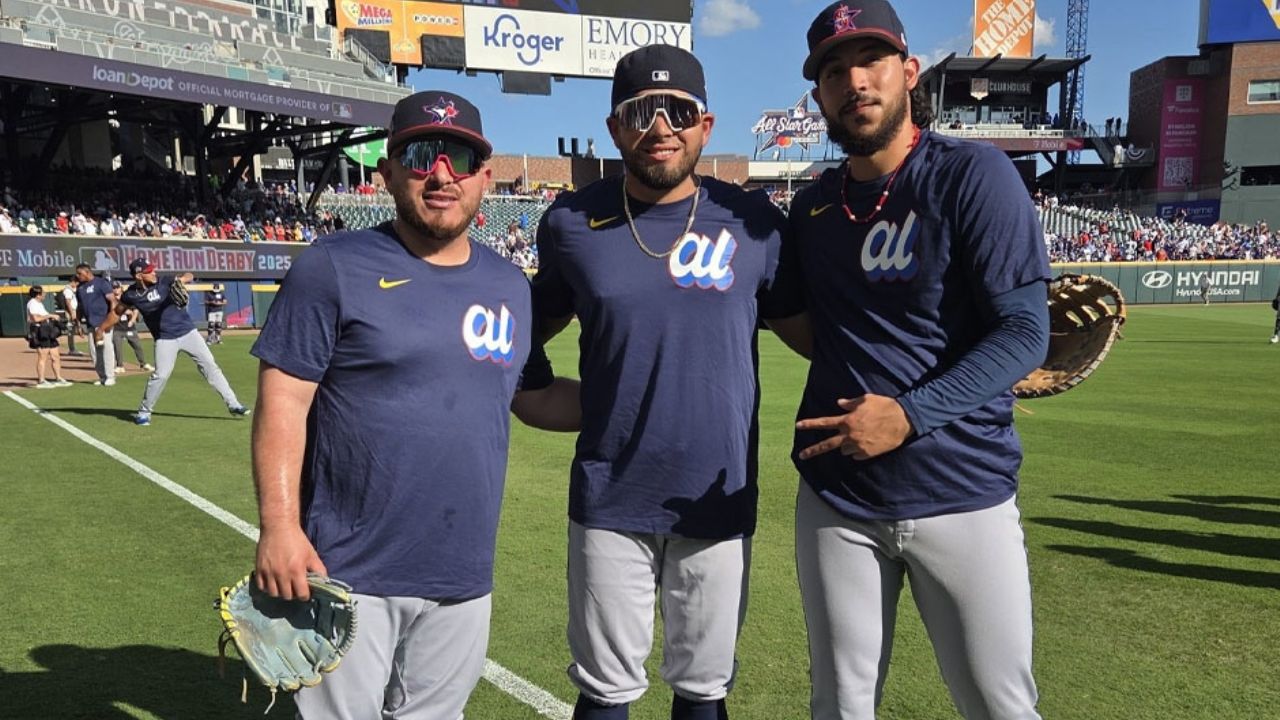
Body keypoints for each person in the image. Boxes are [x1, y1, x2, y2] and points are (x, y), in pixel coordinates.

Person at [250, 90, 579, 720]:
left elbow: (531, 396)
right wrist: (279, 528)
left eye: (459, 157)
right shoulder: (332, 266)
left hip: (461, 573)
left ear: (485, 175)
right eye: (422, 154)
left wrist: (636, 407)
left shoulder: (511, 285)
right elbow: (283, 401)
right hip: (346, 568)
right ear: (389, 172)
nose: (441, 173)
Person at [770, 2, 1052, 718]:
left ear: (909, 72)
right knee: (839, 705)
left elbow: (1024, 334)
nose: (854, 81)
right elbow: (809, 326)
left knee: (998, 704)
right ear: (819, 96)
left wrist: (908, 413)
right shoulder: (811, 208)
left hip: (963, 490)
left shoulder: (973, 175)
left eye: (871, 61)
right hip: (839, 498)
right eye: (834, 71)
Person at [532, 45, 797, 720]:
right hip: (610, 496)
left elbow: (820, 337)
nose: (660, 126)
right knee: (604, 690)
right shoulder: (570, 223)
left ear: (705, 126)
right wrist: (538, 396)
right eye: (641, 111)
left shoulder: (756, 226)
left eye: (677, 110)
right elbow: (520, 335)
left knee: (703, 691)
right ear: (616, 128)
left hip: (716, 493)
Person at [100, 259, 250, 426]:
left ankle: (234, 404)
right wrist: (101, 329)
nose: (154, 272)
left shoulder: (165, 280)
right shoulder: (131, 294)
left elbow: (189, 275)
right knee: (161, 375)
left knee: (210, 366)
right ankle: (144, 412)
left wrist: (182, 280)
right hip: (165, 339)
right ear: (139, 275)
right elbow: (116, 312)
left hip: (188, 332)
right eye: (150, 271)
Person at [74, 263, 116, 386]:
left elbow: (112, 300)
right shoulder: (80, 288)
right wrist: (78, 323)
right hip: (90, 323)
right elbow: (79, 307)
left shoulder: (101, 283)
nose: (78, 276)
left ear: (87, 272)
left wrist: (111, 319)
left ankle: (110, 376)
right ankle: (102, 376)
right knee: (94, 352)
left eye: (79, 273)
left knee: (106, 349)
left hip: (104, 322)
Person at [25, 286, 72, 388]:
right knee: (43, 357)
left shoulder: (39, 303)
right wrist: (50, 316)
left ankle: (58, 378)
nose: (45, 294)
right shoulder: (32, 303)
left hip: (47, 330)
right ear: (38, 294)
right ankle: (41, 380)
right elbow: (35, 318)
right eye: (43, 293)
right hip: (39, 331)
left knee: (55, 356)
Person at [110, 283, 152, 374]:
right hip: (117, 327)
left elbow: (135, 309)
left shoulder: (126, 297)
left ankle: (143, 364)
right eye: (113, 288)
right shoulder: (111, 299)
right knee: (117, 347)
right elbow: (112, 311)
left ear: (120, 288)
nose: (115, 290)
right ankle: (120, 366)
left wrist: (132, 320)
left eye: (117, 287)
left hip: (129, 326)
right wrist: (125, 311)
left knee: (137, 346)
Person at [56, 278, 84, 357]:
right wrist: (72, 313)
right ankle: (72, 349)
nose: (77, 284)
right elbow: (68, 302)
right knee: (71, 330)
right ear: (73, 281)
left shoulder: (71, 289)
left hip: (73, 310)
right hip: (70, 311)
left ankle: (72, 348)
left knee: (72, 330)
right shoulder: (67, 290)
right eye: (77, 282)